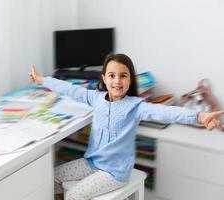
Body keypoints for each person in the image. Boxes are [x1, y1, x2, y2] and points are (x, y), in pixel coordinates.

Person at [29, 53, 224, 200]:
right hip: (92, 163)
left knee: (74, 196)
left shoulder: (135, 106)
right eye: (112, 75)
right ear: (104, 78)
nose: (117, 81)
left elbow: (166, 113)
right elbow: (69, 89)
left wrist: (200, 116)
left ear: (130, 80)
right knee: (52, 177)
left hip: (114, 172)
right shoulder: (95, 98)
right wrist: (42, 80)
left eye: (123, 76)